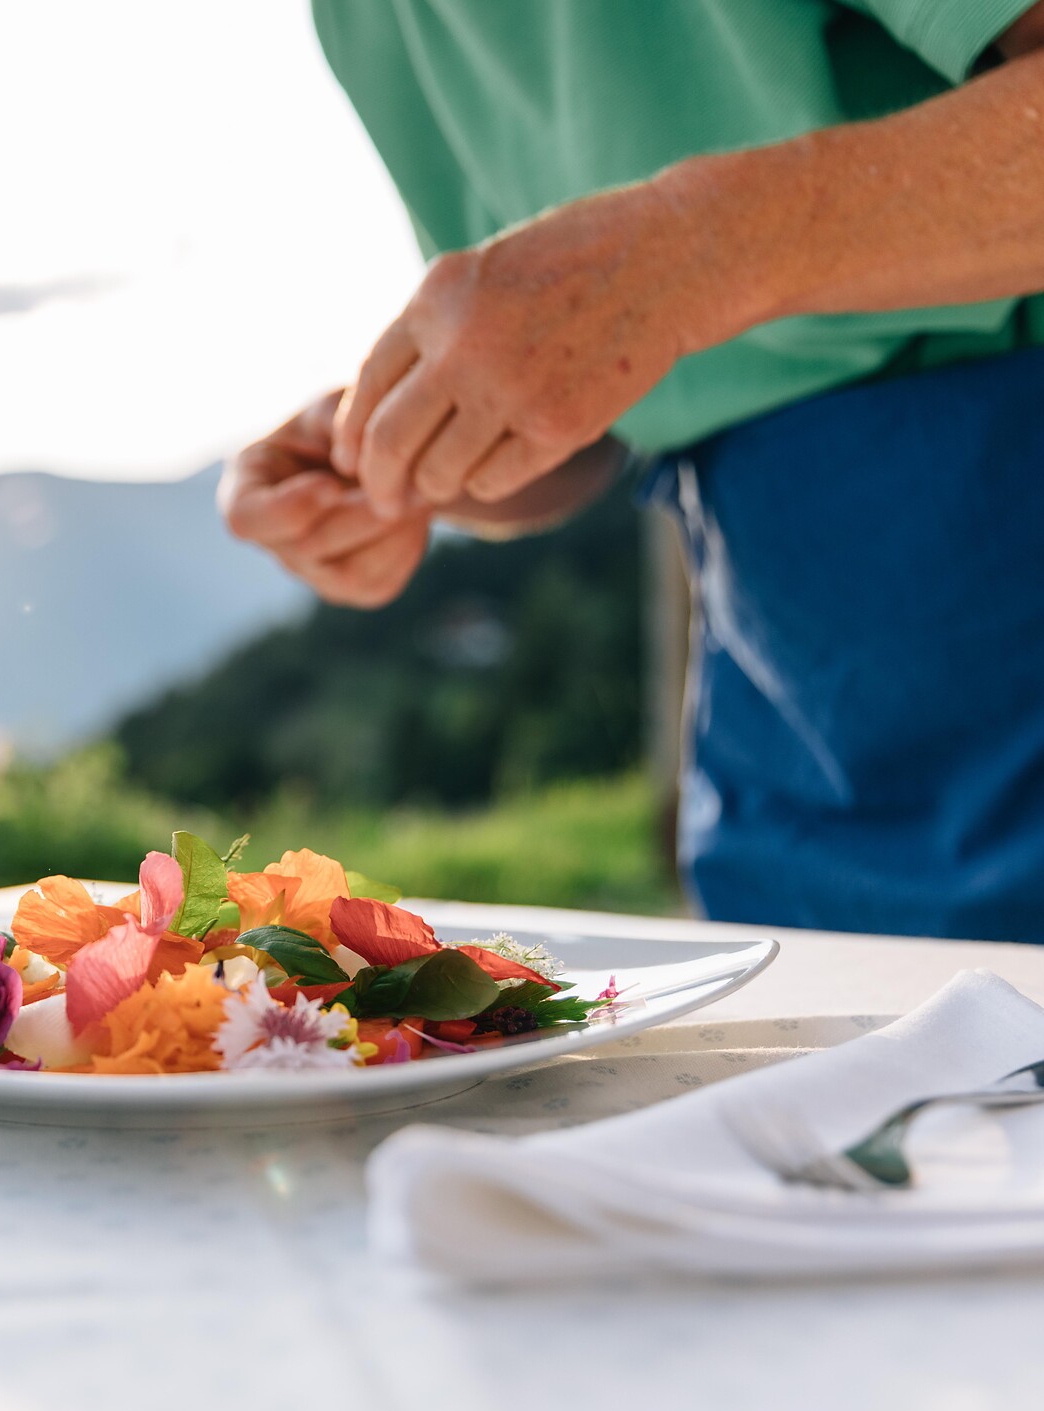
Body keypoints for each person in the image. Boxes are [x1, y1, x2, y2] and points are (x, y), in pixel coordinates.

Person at [221, 2, 1044, 942]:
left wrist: (692, 251)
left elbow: (658, 282)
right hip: (785, 704)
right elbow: (615, 392)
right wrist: (416, 446)